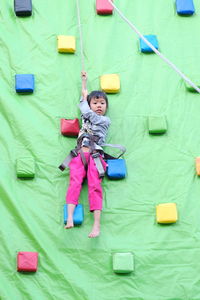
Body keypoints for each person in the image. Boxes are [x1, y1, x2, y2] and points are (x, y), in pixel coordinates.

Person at [64, 71, 111, 238]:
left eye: (102, 103)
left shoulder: (104, 120)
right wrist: (84, 85)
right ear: (90, 104)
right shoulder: (86, 117)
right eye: (95, 102)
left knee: (94, 187)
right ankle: (69, 217)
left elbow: (87, 112)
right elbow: (83, 106)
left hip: (95, 156)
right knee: (74, 183)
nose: (99, 105)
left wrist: (86, 98)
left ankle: (96, 226)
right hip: (80, 155)